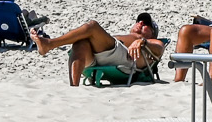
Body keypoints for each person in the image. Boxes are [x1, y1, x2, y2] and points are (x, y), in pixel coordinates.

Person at [32, 13, 163, 86]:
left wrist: (142, 41)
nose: (140, 23)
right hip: (103, 55)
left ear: (152, 33)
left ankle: (50, 44)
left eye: (146, 24)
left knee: (93, 26)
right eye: (139, 21)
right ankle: (74, 88)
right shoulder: (128, 35)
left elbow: (159, 49)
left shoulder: (150, 41)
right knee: (81, 42)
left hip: (125, 59)